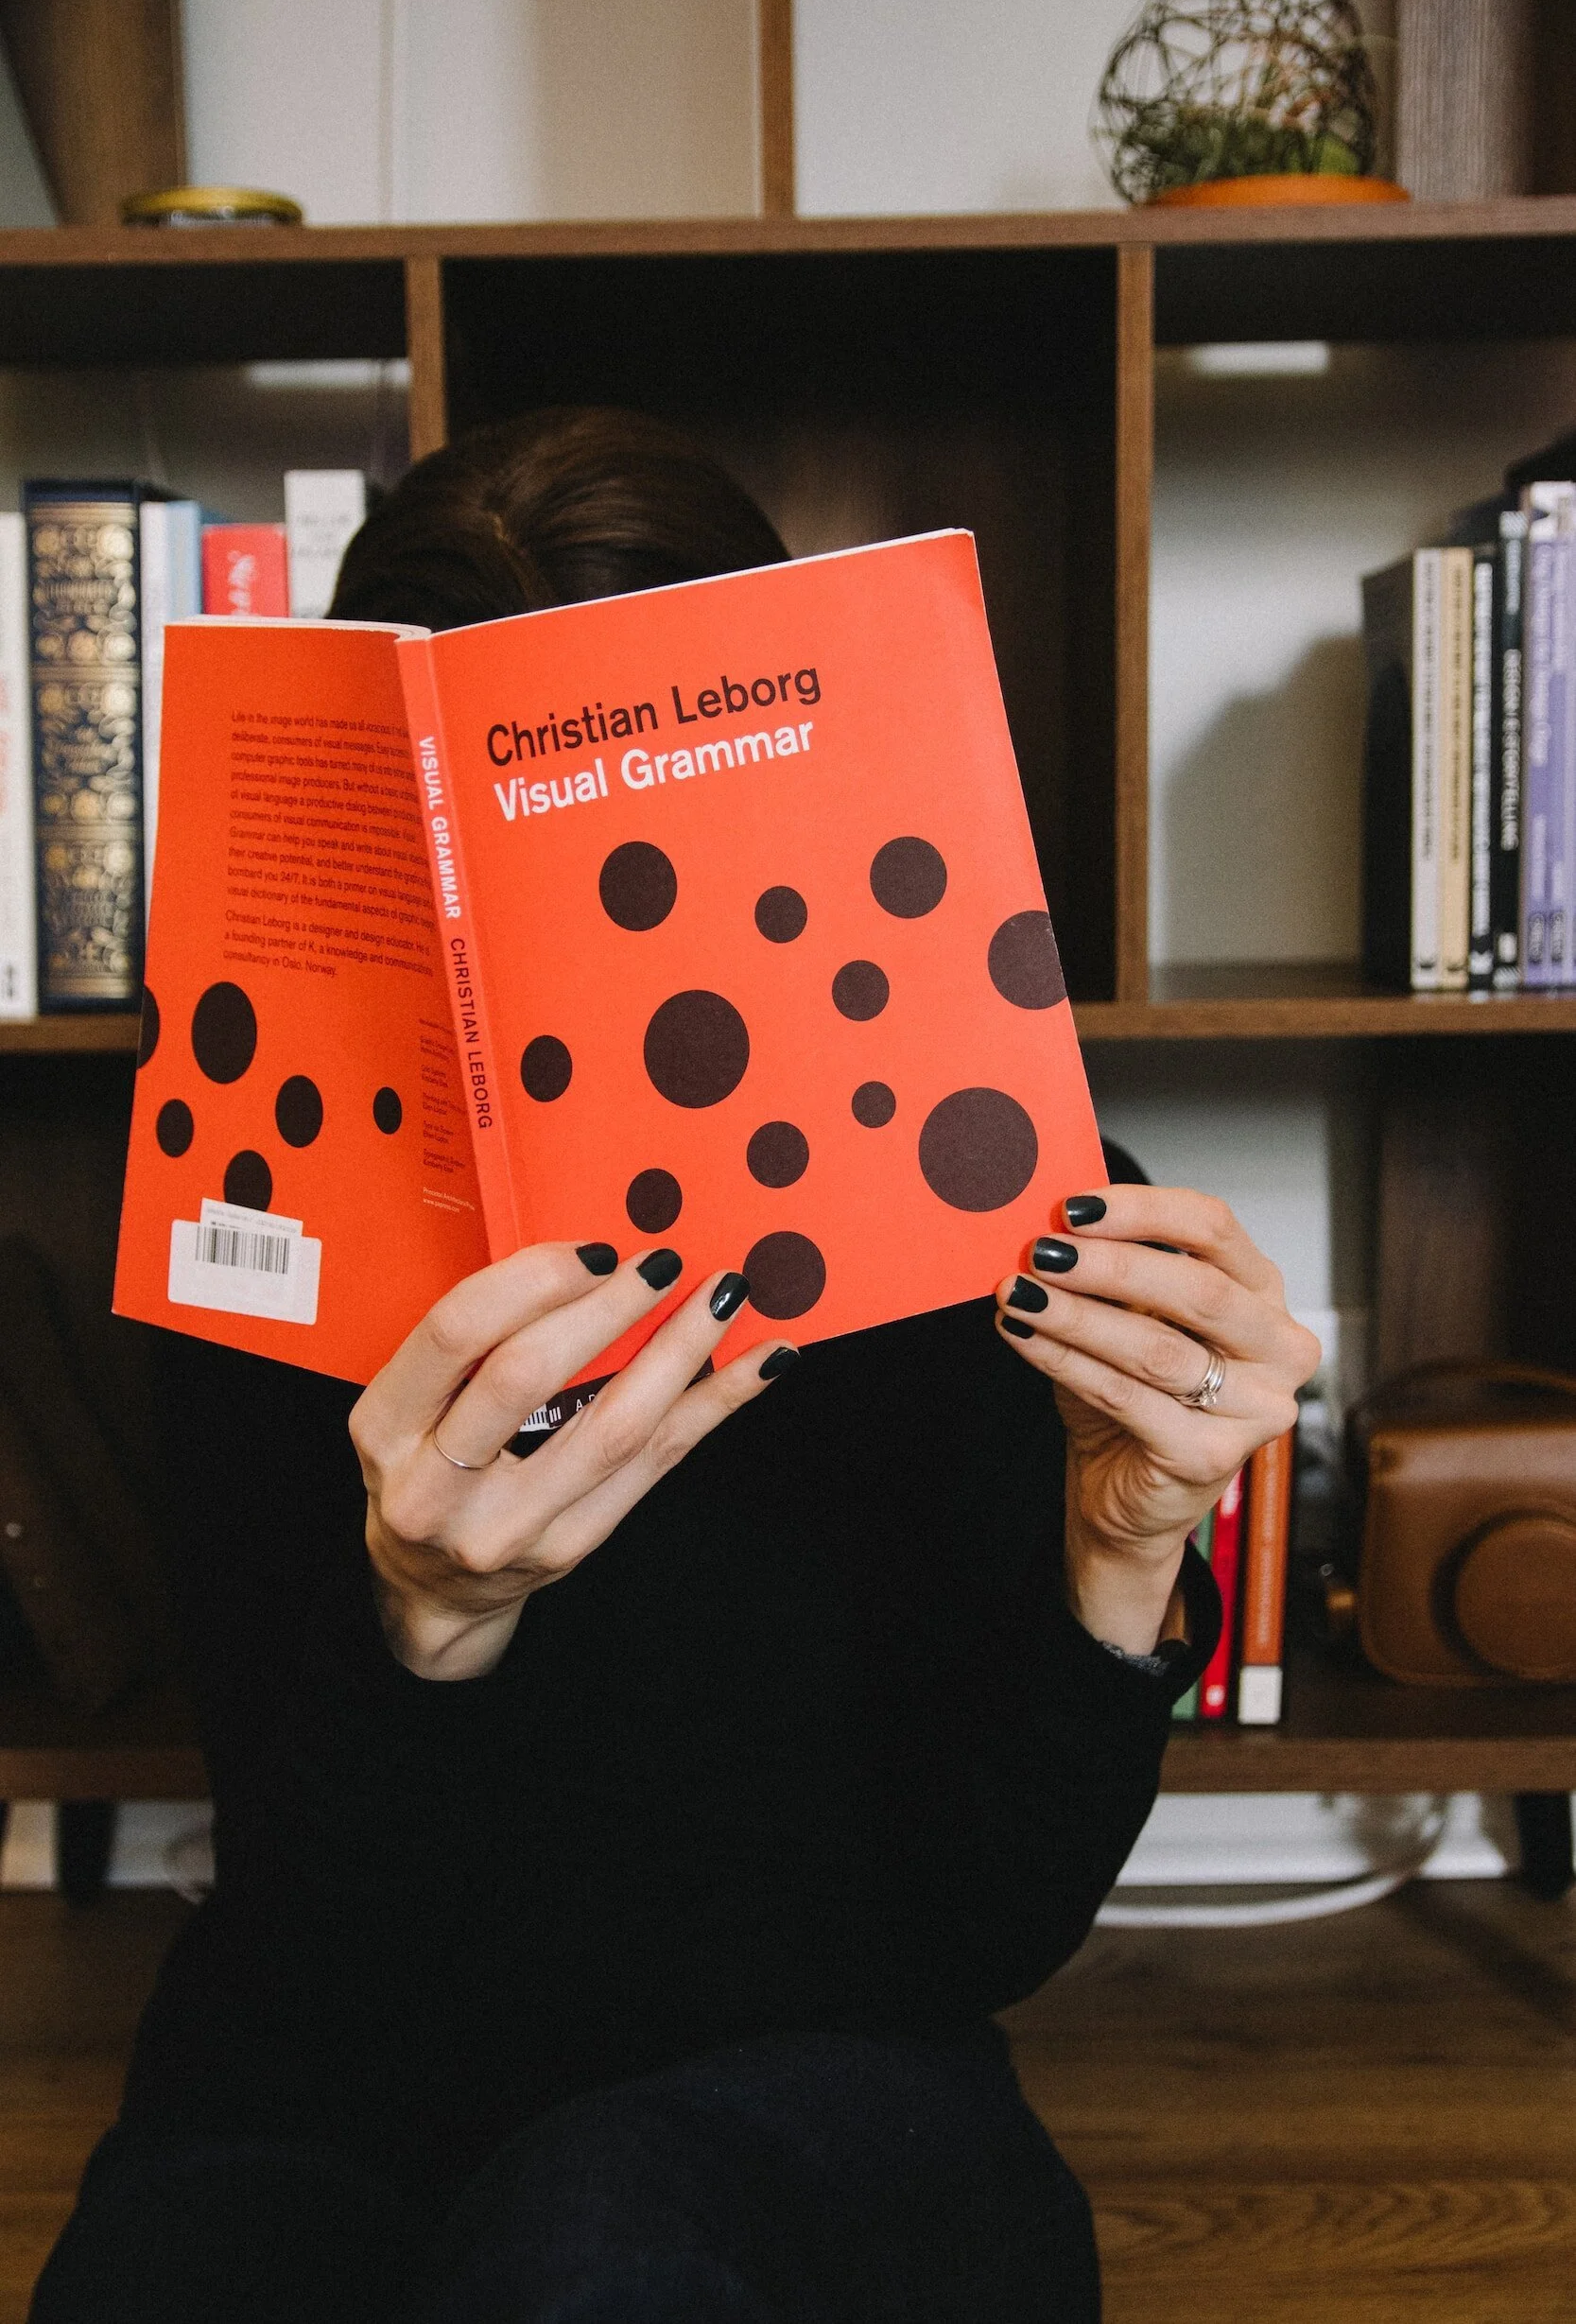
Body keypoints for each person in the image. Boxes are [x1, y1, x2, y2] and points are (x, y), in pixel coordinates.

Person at [31, 409, 1319, 2324]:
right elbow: (315, 1928)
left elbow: (986, 1925)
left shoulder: (1009, 1220)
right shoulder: (257, 1225)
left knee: (601, 2225)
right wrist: (426, 1616)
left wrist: (1123, 1554)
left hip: (825, 2080)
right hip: (327, 2071)